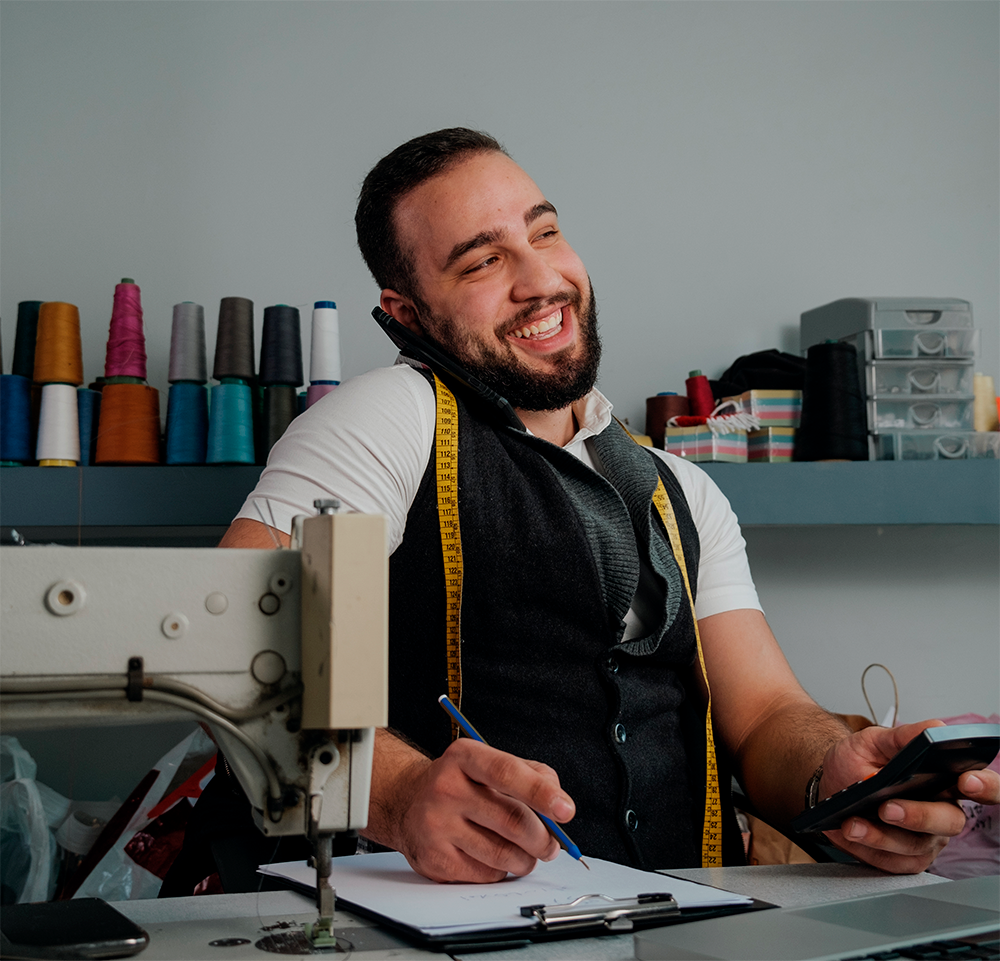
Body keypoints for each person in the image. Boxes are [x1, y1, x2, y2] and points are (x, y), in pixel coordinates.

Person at [216, 128, 999, 885]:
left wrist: (834, 776)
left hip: (690, 931)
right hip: (458, 934)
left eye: (545, 232)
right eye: (484, 260)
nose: (540, 279)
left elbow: (764, 718)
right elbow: (234, 639)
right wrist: (394, 794)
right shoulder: (388, 418)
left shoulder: (682, 486)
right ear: (408, 313)